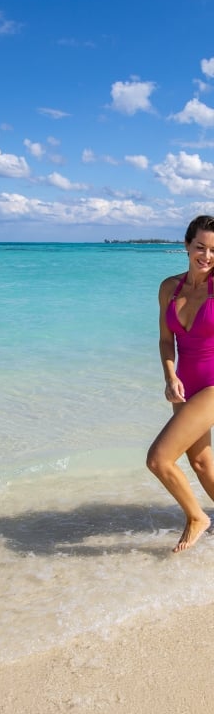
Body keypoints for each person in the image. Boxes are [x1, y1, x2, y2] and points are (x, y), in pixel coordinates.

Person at [146, 215, 214, 552]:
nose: (207, 255)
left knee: (159, 459)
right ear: (187, 246)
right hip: (183, 383)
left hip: (213, 385)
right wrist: (169, 375)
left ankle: (197, 517)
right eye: (200, 247)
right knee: (200, 463)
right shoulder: (168, 288)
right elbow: (164, 340)